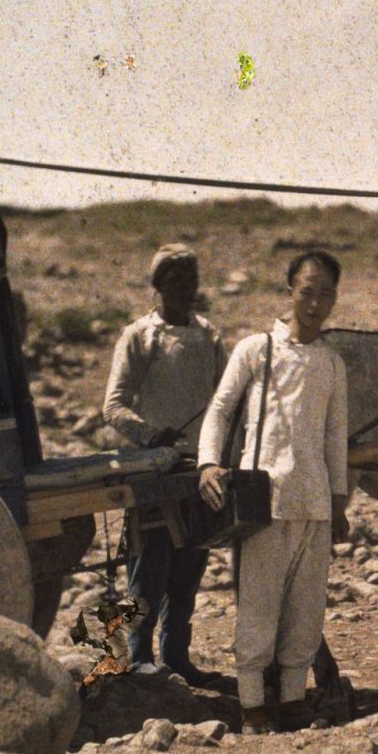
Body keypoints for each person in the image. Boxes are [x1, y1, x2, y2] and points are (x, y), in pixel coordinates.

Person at [198, 251, 352, 733]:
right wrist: (208, 463)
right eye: (307, 291)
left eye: (325, 293)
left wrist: (338, 500)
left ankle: (291, 700)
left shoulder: (331, 363)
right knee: (259, 607)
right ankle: (252, 706)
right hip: (261, 496)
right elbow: (221, 409)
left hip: (313, 501)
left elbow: (334, 435)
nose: (315, 303)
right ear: (289, 292)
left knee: (306, 610)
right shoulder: (256, 348)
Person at [103, 243, 228, 678]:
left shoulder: (209, 336)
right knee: (148, 566)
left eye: (190, 280)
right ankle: (137, 658)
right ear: (157, 287)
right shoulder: (139, 336)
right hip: (152, 471)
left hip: (200, 469)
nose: (184, 289)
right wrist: (153, 436)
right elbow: (114, 406)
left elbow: (224, 403)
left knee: (191, 565)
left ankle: (176, 658)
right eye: (174, 281)